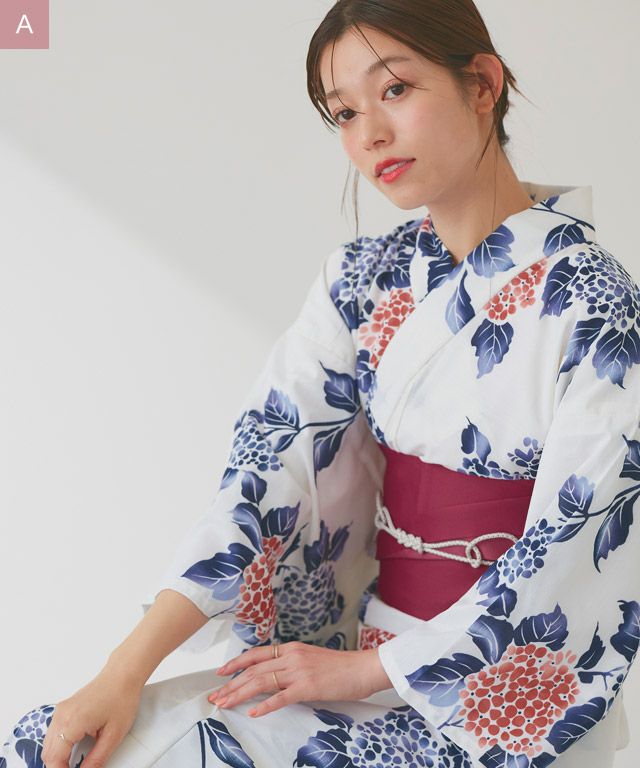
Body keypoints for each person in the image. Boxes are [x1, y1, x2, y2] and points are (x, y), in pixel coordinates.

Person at [2, 1, 637, 766]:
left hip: (498, 704)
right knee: (48, 746)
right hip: (360, 657)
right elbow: (267, 467)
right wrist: (124, 670)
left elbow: (584, 546)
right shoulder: (362, 282)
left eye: (394, 89)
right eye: (344, 112)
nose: (369, 134)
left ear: (481, 84)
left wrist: (367, 673)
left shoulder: (595, 302)